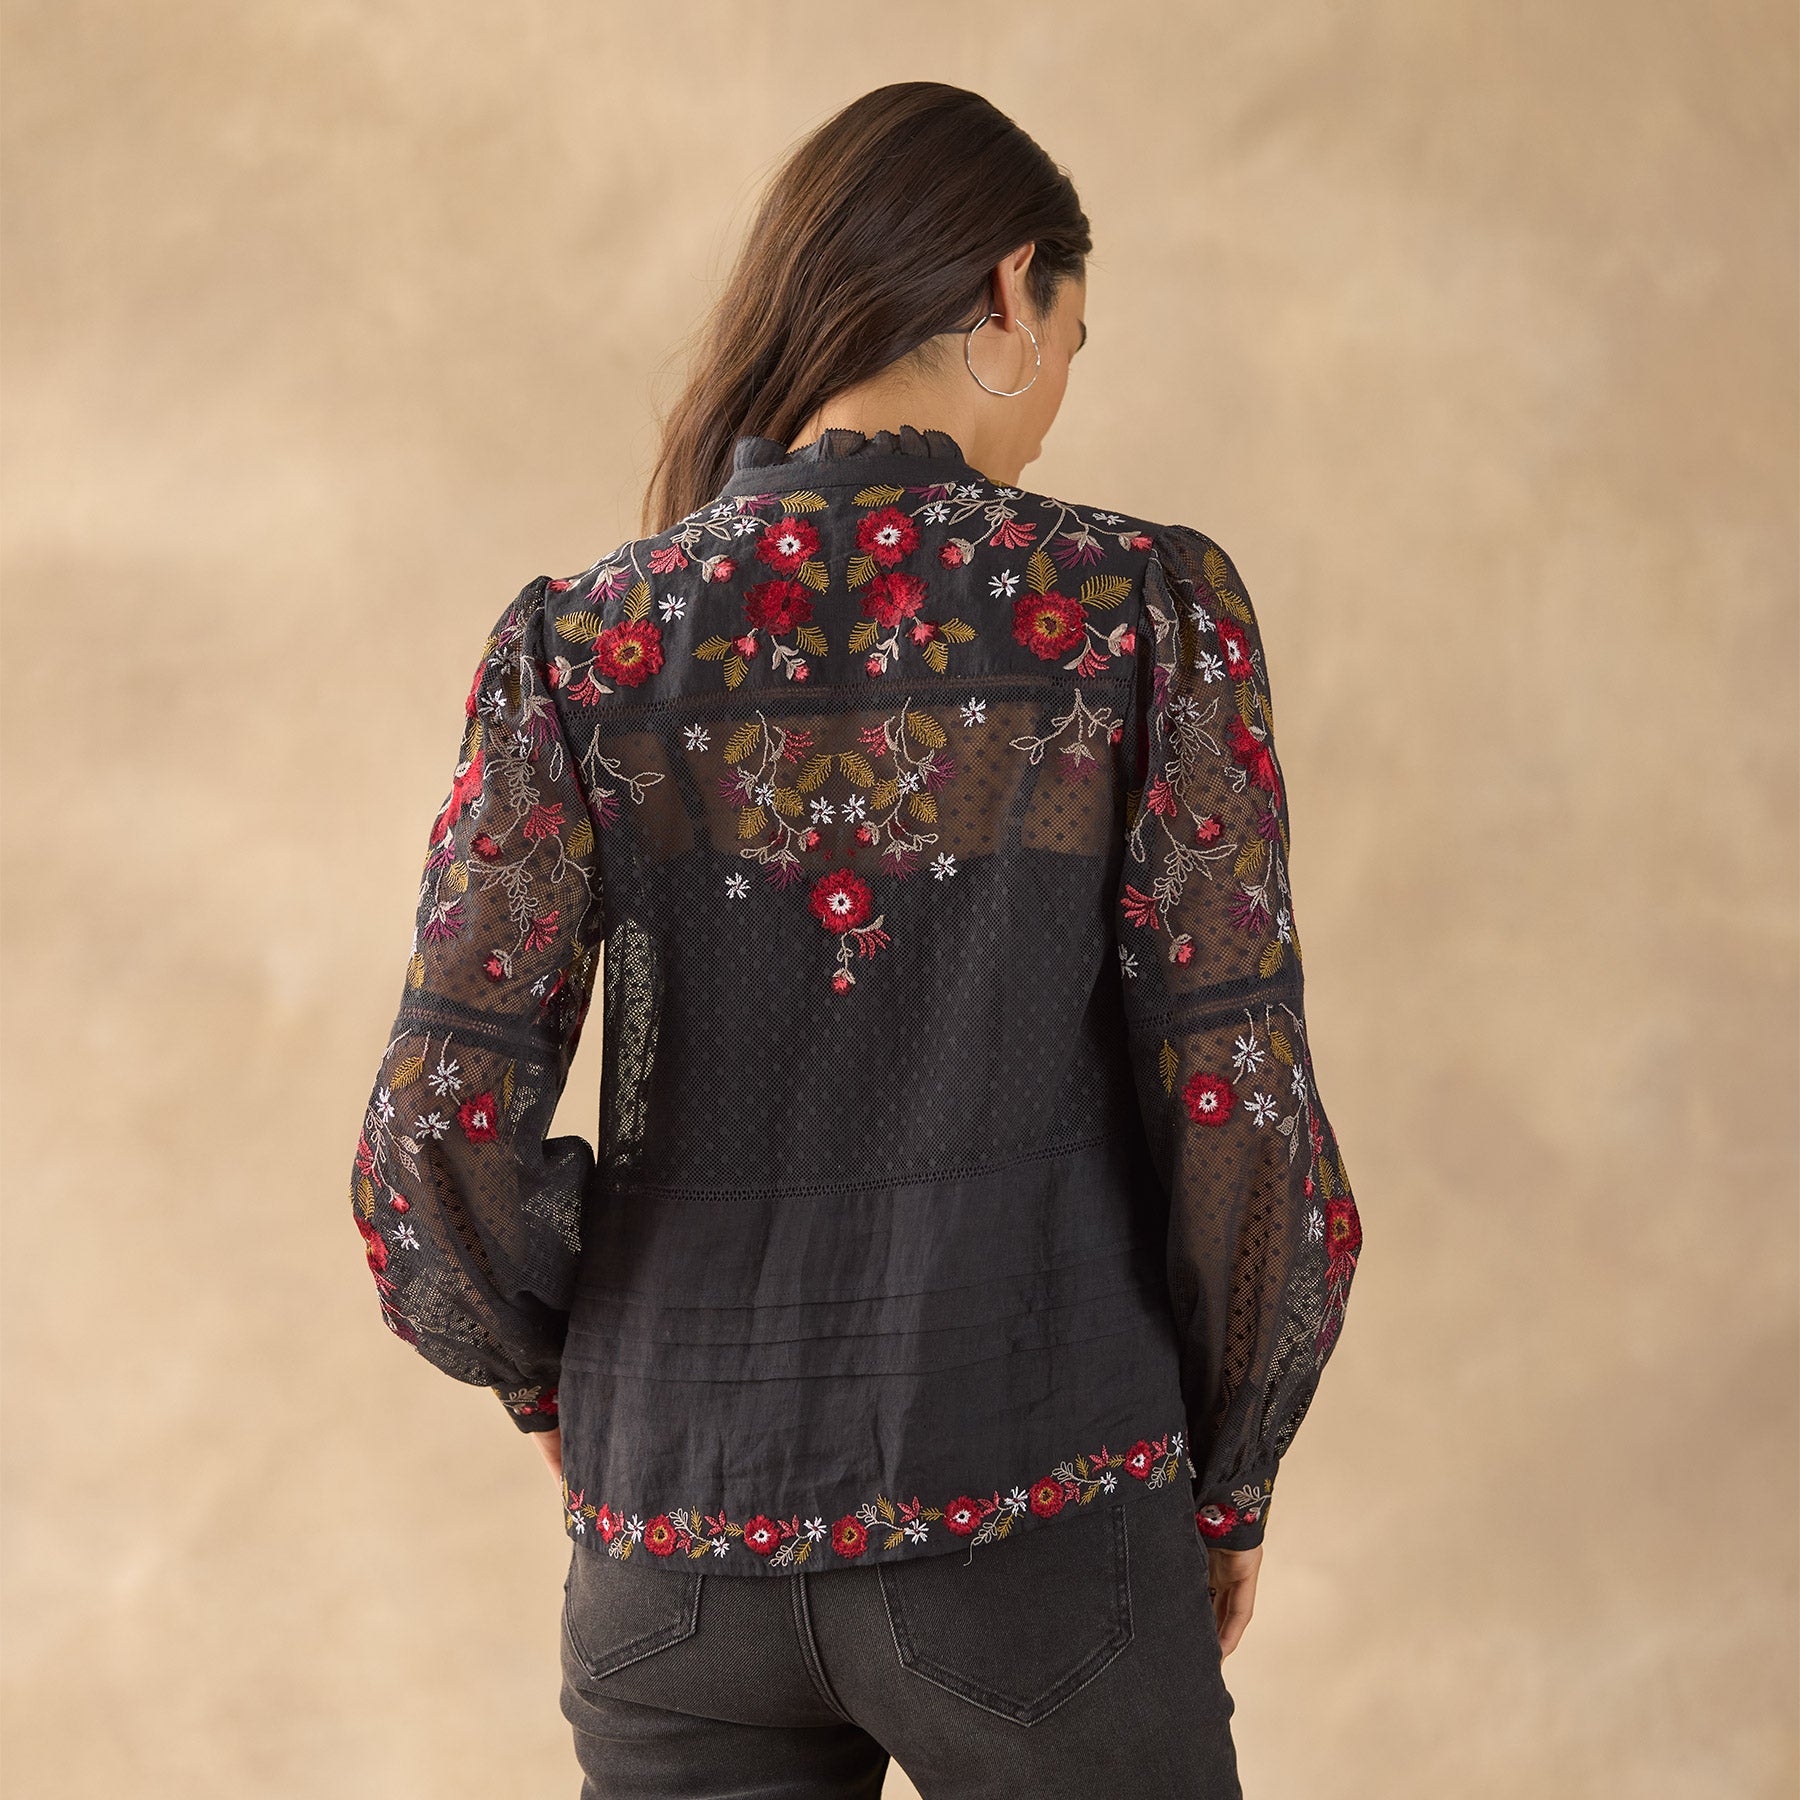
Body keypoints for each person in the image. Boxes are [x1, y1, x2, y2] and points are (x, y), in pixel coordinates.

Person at [348, 80, 1364, 1798]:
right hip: (1043, 1517)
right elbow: (1238, 1107)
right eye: (1073, 339)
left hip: (672, 1556)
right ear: (1009, 291)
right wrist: (1234, 1471)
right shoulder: (1135, 613)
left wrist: (570, 1391)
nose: (1057, 392)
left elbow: (429, 1139)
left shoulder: (584, 644)